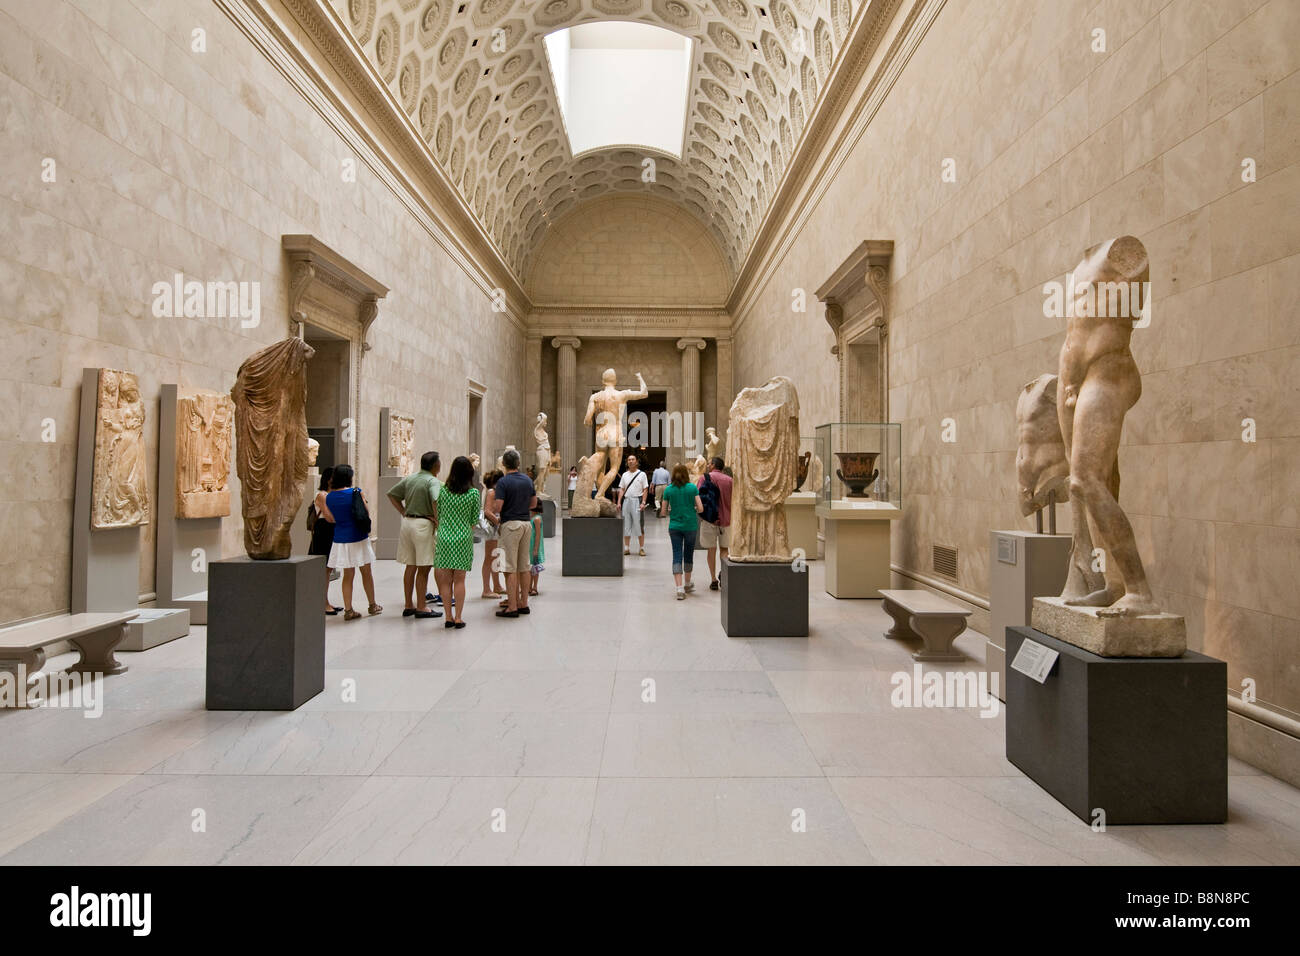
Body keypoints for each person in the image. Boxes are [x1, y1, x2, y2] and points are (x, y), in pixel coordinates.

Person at [386, 450, 443, 619]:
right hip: (423, 525)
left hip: (408, 523)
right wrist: (437, 520)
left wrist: (403, 511)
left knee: (410, 566)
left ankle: (408, 604)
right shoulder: (432, 481)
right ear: (435, 465)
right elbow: (435, 499)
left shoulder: (411, 478)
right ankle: (422, 606)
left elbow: (392, 494)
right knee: (424, 567)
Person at [321, 464, 381, 620]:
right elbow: (366, 512)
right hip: (358, 537)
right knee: (366, 573)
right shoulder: (356, 492)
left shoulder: (330, 497)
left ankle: (348, 610)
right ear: (349, 477)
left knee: (348, 575)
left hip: (341, 539)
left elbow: (331, 518)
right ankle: (372, 605)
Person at [434, 455, 479, 630]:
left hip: (444, 537)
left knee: (445, 581)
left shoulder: (443, 491)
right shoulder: (473, 493)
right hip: (463, 538)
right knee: (459, 580)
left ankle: (448, 617)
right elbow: (474, 520)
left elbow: (439, 514)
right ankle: (459, 617)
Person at [493, 449, 536, 618]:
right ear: (518, 463)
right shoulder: (527, 480)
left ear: (504, 464)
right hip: (526, 524)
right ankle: (523, 603)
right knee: (524, 566)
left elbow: (498, 507)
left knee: (509, 567)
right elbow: (533, 503)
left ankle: (512, 606)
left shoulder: (503, 482)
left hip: (510, 524)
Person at [660, 462, 703, 600]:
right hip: (690, 526)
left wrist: (672, 510)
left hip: (675, 527)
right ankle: (688, 584)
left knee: (677, 554)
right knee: (688, 554)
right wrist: (692, 508)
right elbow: (701, 508)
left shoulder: (669, 490)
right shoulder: (692, 488)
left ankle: (679, 589)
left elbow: (663, 512)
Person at [697, 455, 733, 590]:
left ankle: (713, 579)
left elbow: (698, 498)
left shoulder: (704, 478)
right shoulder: (730, 480)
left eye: (709, 463)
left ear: (712, 465)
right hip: (726, 520)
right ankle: (723, 574)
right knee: (725, 549)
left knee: (711, 550)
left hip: (709, 520)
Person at [307, 466, 340, 614]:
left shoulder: (332, 495)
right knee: (324, 570)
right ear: (329, 479)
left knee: (328, 569)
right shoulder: (321, 495)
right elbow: (329, 517)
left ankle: (326, 601)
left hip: (331, 531)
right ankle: (323, 602)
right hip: (323, 531)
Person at [616, 454, 649, 556]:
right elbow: (621, 489)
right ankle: (626, 548)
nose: (630, 461)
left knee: (639, 525)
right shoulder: (625, 475)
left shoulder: (642, 474)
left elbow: (645, 489)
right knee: (626, 525)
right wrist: (619, 502)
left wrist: (643, 502)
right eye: (629, 460)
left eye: (632, 459)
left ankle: (641, 548)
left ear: (636, 462)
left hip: (637, 501)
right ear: (627, 462)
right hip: (626, 501)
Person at [480, 469, 505, 598]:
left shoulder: (496, 492)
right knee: (489, 558)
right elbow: (487, 511)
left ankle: (497, 585)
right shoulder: (491, 492)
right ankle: (486, 589)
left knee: (496, 557)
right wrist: (498, 522)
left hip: (496, 527)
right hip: (493, 528)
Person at [528, 502, 545, 596]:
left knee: (535, 568)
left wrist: (535, 549)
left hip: (535, 547)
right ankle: (529, 586)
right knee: (531, 568)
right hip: (531, 546)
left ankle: (535, 587)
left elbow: (538, 535)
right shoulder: (534, 518)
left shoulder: (537, 519)